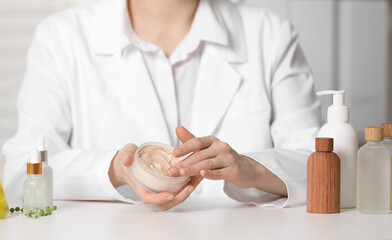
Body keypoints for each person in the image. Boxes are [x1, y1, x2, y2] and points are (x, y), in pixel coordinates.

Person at [2, 0, 321, 211]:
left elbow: (323, 167)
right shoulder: (61, 37)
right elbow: (20, 172)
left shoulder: (270, 35)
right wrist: (112, 170)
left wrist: (252, 168)